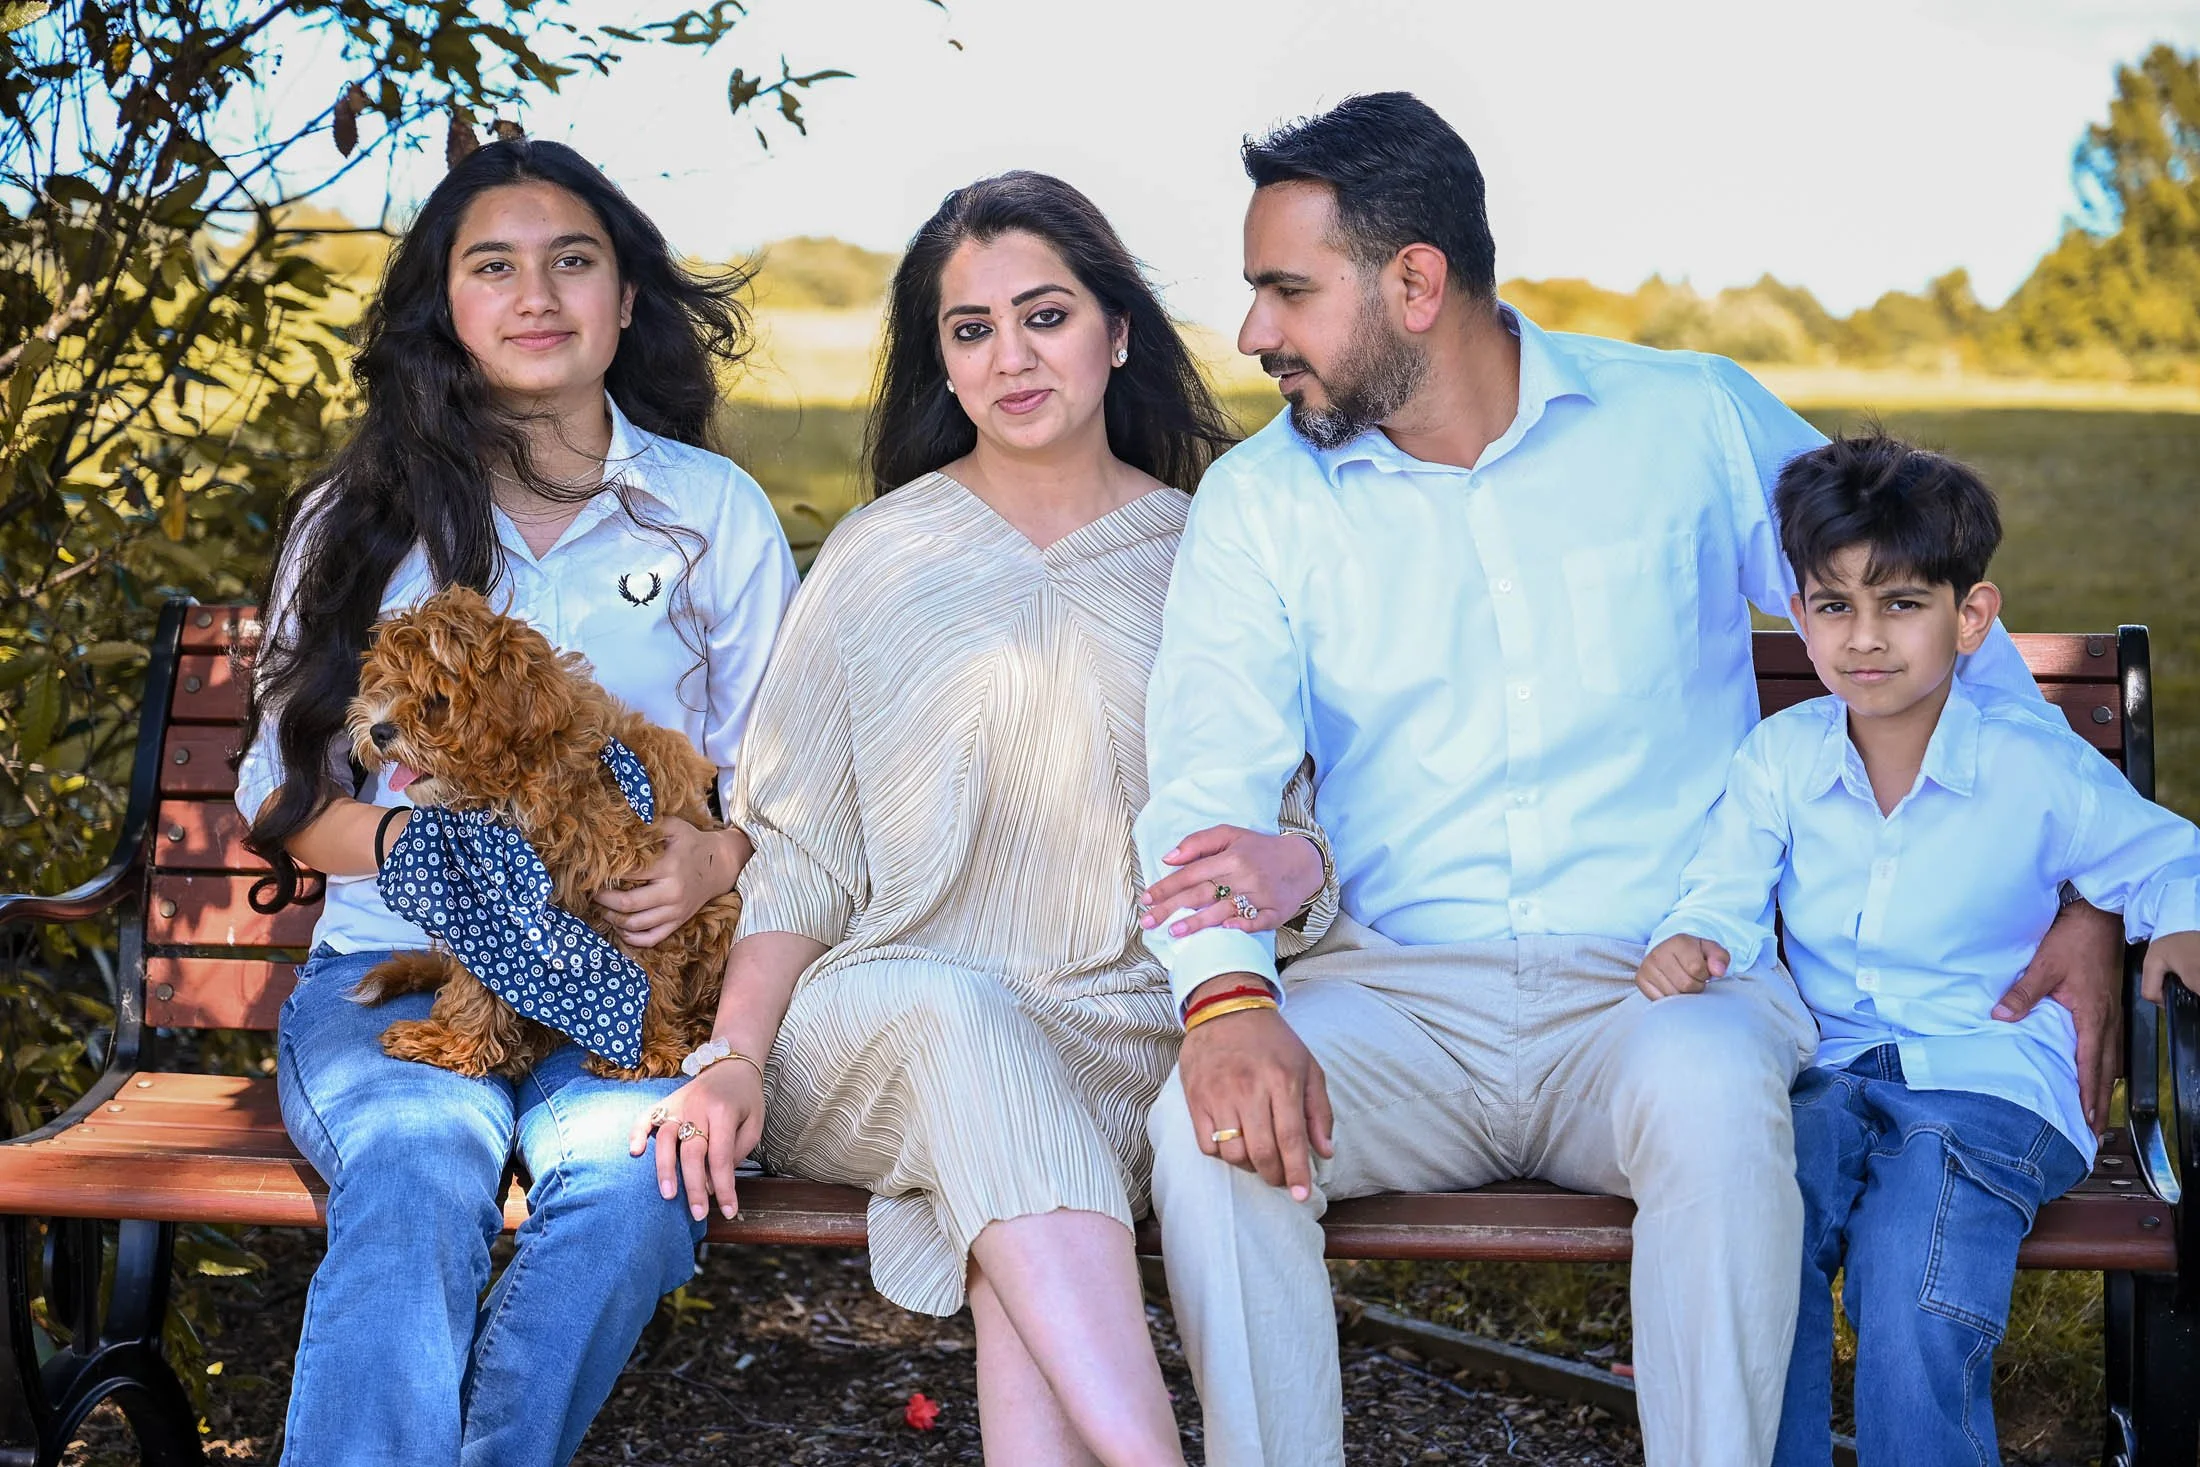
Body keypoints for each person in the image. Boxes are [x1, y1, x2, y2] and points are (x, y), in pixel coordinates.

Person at [1131, 92, 2123, 1467]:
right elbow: (1203, 783)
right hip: (1397, 993)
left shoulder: (1689, 423)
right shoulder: (1264, 502)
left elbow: (1926, 615)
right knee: (1208, 1126)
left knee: (1717, 1089)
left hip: (1664, 987)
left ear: (1415, 282)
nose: (1253, 335)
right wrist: (1230, 997)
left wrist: (2082, 880)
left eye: (1286, 291)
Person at [633, 171, 1334, 1467]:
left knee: (1021, 1190)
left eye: (1045, 315)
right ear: (941, 365)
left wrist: (1301, 864)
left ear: (1115, 332)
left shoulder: (1210, 552)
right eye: (970, 330)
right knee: (968, 1027)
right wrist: (730, 1054)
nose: (1010, 356)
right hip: (886, 1021)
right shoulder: (876, 556)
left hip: (1127, 1031)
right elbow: (799, 856)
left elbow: (1280, 832)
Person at [237, 138, 797, 1467]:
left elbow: (793, 778)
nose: (536, 292)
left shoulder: (708, 513)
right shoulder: (360, 517)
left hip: (630, 980)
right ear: (448, 304)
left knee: (632, 1183)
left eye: (573, 261)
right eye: (495, 265)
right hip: (404, 966)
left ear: (625, 302)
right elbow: (281, 789)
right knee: (418, 1167)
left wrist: (716, 857)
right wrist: (438, 852)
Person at [1638, 433, 2200, 1467]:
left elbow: (2167, 858)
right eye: (1832, 605)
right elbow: (1722, 887)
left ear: (1969, 617)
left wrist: (2179, 922)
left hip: (1990, 1085)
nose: (1864, 638)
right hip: (1830, 1070)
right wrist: (1696, 941)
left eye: (1900, 604)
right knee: (1764, 1223)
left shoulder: (2034, 770)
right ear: (1797, 613)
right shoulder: (1780, 761)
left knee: (1916, 1270)